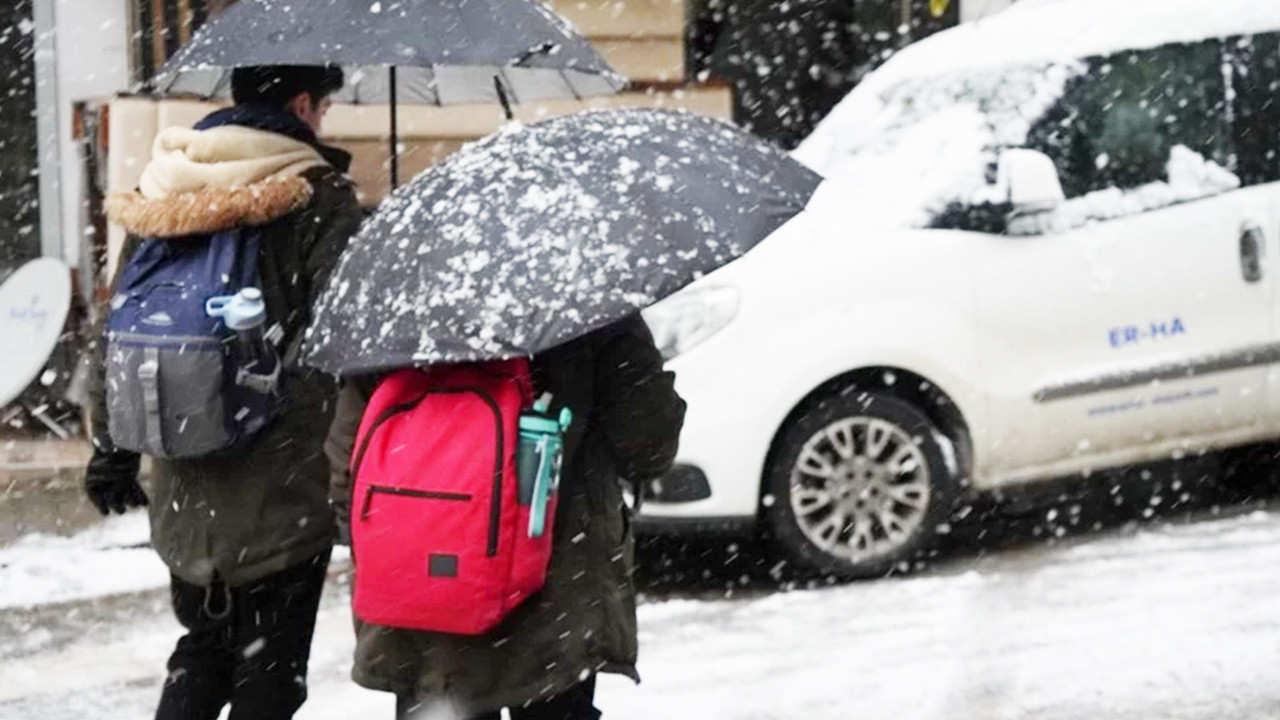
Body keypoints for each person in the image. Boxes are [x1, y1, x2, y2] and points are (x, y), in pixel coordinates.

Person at [84, 65, 363, 720]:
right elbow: (346, 333)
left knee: (203, 647)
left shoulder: (165, 187)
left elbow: (119, 328)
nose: (321, 122)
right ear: (301, 103)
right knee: (271, 671)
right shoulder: (316, 193)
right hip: (284, 478)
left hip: (182, 467)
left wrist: (111, 448)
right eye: (321, 108)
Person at [325, 315, 685, 720]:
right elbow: (647, 445)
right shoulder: (586, 304)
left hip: (421, 609)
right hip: (555, 600)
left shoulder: (399, 305)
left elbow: (346, 466)